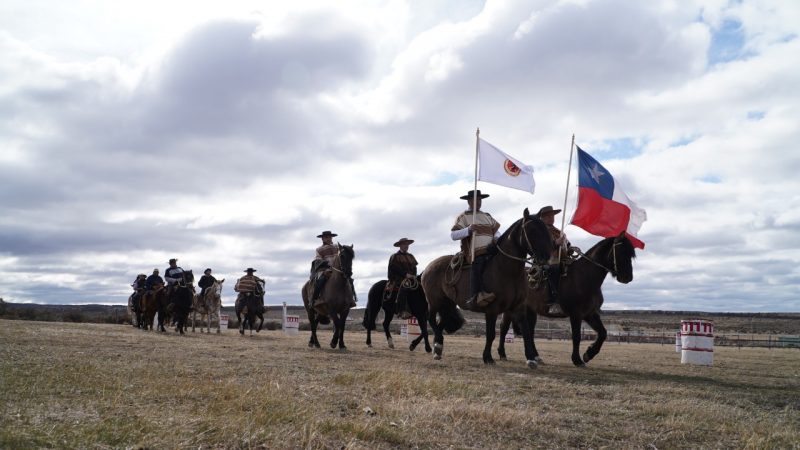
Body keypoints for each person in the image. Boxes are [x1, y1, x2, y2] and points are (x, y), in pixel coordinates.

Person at [451, 190, 501, 310]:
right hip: (474, 253)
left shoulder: (487, 216)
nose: (478, 202)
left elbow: (497, 232)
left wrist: (497, 239)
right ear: (469, 201)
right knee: (478, 264)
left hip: (492, 250)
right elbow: (453, 235)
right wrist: (468, 229)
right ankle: (475, 295)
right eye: (475, 200)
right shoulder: (463, 217)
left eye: (480, 200)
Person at [537, 205, 571, 315]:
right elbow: (541, 247)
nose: (551, 217)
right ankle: (554, 302)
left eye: (552, 215)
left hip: (563, 259)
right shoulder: (539, 232)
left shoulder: (558, 231)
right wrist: (556, 243)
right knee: (554, 269)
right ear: (542, 218)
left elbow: (567, 245)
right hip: (546, 261)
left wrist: (569, 248)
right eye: (548, 216)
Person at [310, 231, 356, 307]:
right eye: (326, 237)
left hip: (338, 269)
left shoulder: (337, 247)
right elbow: (318, 261)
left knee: (349, 280)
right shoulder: (319, 249)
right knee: (320, 281)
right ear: (322, 239)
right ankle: (315, 299)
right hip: (326, 270)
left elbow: (342, 257)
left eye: (330, 237)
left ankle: (352, 299)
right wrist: (325, 269)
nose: (328, 239)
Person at [387, 238, 418, 320]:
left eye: (407, 244)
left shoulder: (411, 256)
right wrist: (405, 274)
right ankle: (402, 310)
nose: (406, 246)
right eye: (404, 244)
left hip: (411, 278)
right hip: (398, 278)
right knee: (405, 286)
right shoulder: (395, 256)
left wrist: (414, 275)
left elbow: (414, 267)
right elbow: (394, 268)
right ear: (400, 246)